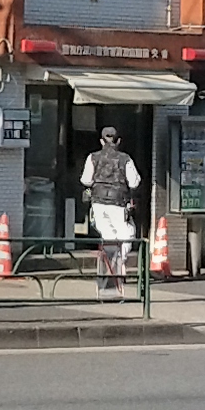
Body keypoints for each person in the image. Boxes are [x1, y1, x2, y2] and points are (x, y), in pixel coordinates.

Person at [80, 122, 143, 293]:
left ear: (101, 141)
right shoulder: (125, 159)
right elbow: (135, 181)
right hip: (118, 202)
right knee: (127, 233)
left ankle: (109, 269)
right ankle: (118, 265)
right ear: (119, 141)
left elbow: (86, 180)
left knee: (108, 235)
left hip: (98, 202)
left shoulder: (92, 157)